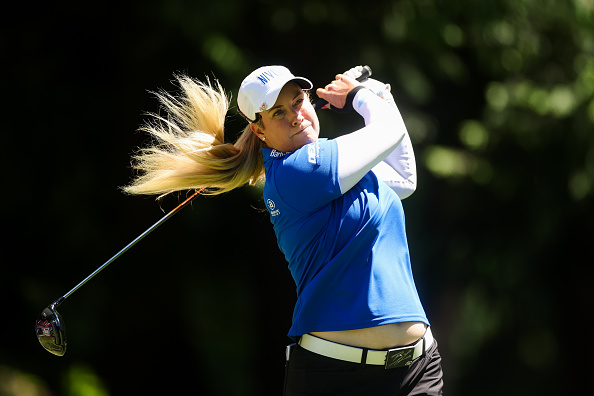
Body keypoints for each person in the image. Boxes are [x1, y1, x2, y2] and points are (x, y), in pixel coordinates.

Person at [124, 65, 444, 395]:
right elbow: (386, 133)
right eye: (278, 112)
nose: (295, 116)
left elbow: (403, 179)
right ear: (259, 131)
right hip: (337, 378)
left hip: (417, 371)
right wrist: (361, 95)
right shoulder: (298, 171)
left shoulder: (338, 168)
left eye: (298, 101)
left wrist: (377, 94)